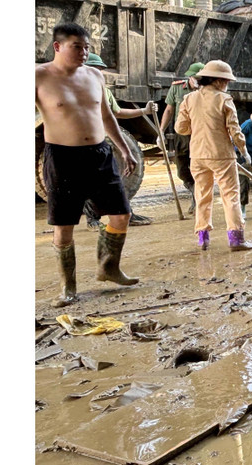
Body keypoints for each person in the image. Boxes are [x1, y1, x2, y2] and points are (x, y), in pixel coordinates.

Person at [35, 23, 141, 307]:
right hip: (62, 157)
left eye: (87, 47)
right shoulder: (38, 76)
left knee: (121, 214)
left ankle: (108, 267)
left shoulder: (95, 75)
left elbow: (107, 116)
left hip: (100, 154)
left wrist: (124, 149)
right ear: (57, 47)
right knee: (64, 224)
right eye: (77, 47)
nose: (84, 53)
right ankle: (68, 287)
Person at [175, 60, 252, 251]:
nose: (227, 84)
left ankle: (203, 238)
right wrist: (243, 150)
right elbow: (235, 131)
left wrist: (199, 130)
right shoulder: (224, 99)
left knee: (202, 196)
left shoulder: (188, 99)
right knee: (230, 196)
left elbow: (180, 128)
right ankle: (236, 239)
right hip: (221, 155)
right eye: (226, 81)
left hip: (197, 156)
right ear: (219, 81)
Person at [82, 53, 157, 228]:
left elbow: (116, 114)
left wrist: (144, 111)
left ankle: (126, 213)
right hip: (82, 144)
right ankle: (92, 219)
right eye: (95, 69)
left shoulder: (104, 91)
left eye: (100, 70)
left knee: (115, 179)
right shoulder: (76, 90)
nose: (99, 73)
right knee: (91, 182)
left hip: (103, 142)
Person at [160, 62, 204, 214]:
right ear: (189, 78)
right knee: (182, 169)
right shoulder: (178, 87)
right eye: (195, 78)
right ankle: (193, 191)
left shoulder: (207, 90)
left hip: (199, 134)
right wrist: (161, 131)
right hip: (182, 133)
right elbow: (169, 110)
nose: (198, 82)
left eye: (201, 78)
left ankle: (198, 201)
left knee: (197, 167)